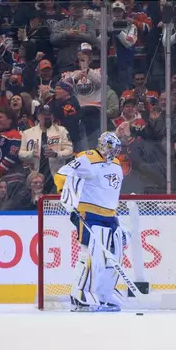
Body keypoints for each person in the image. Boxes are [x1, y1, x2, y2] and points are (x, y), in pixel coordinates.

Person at [54, 132, 124, 312]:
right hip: (90, 214)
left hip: (110, 215)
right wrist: (69, 198)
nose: (113, 151)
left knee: (112, 258)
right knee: (90, 256)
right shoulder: (87, 158)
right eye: (111, 147)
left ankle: (103, 294)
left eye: (116, 148)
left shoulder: (116, 164)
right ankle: (80, 295)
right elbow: (62, 174)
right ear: (102, 144)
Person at [19, 104, 74, 194]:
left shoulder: (61, 131)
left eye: (49, 114)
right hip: (35, 177)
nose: (47, 117)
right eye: (44, 114)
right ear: (38, 116)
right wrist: (31, 153)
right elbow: (21, 154)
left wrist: (56, 154)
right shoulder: (27, 133)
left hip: (56, 175)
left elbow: (70, 151)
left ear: (53, 116)